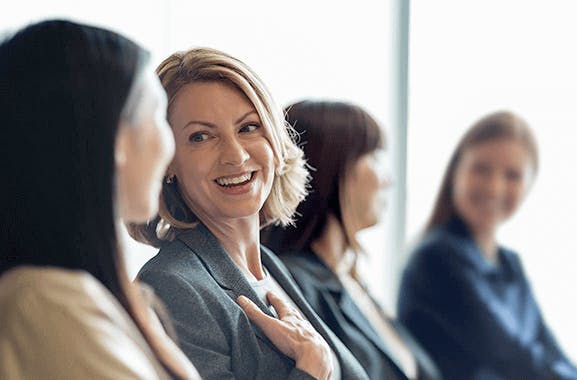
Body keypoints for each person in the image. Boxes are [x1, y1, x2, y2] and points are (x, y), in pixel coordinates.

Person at [128, 48, 368, 380]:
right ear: (167, 159)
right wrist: (313, 368)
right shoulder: (171, 286)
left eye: (248, 128)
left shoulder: (269, 266)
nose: (236, 156)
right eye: (201, 136)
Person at [0, 20, 200, 379]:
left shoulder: (87, 298)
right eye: (157, 117)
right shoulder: (46, 304)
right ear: (114, 139)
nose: (169, 148)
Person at [397, 111, 577, 379]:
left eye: (512, 175)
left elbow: (552, 355)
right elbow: (515, 361)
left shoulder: (510, 263)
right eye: (481, 169)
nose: (494, 187)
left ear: (529, 185)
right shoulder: (436, 259)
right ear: (456, 171)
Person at [262, 100, 441, 380]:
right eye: (375, 158)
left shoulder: (351, 280)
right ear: (334, 168)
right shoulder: (294, 283)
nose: (388, 179)